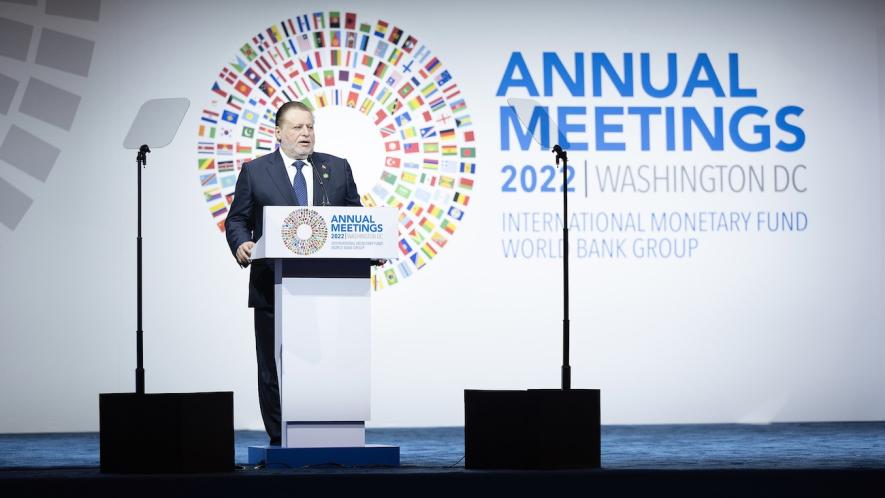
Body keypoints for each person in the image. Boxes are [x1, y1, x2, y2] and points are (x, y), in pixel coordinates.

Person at [225, 101, 362, 444]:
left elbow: (355, 219)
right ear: (278, 133)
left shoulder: (337, 168)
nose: (305, 134)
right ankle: (279, 437)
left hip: (328, 287)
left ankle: (326, 430)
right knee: (273, 367)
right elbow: (238, 218)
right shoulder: (256, 171)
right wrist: (242, 243)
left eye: (310, 127)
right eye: (297, 127)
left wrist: (369, 249)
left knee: (324, 361)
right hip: (272, 284)